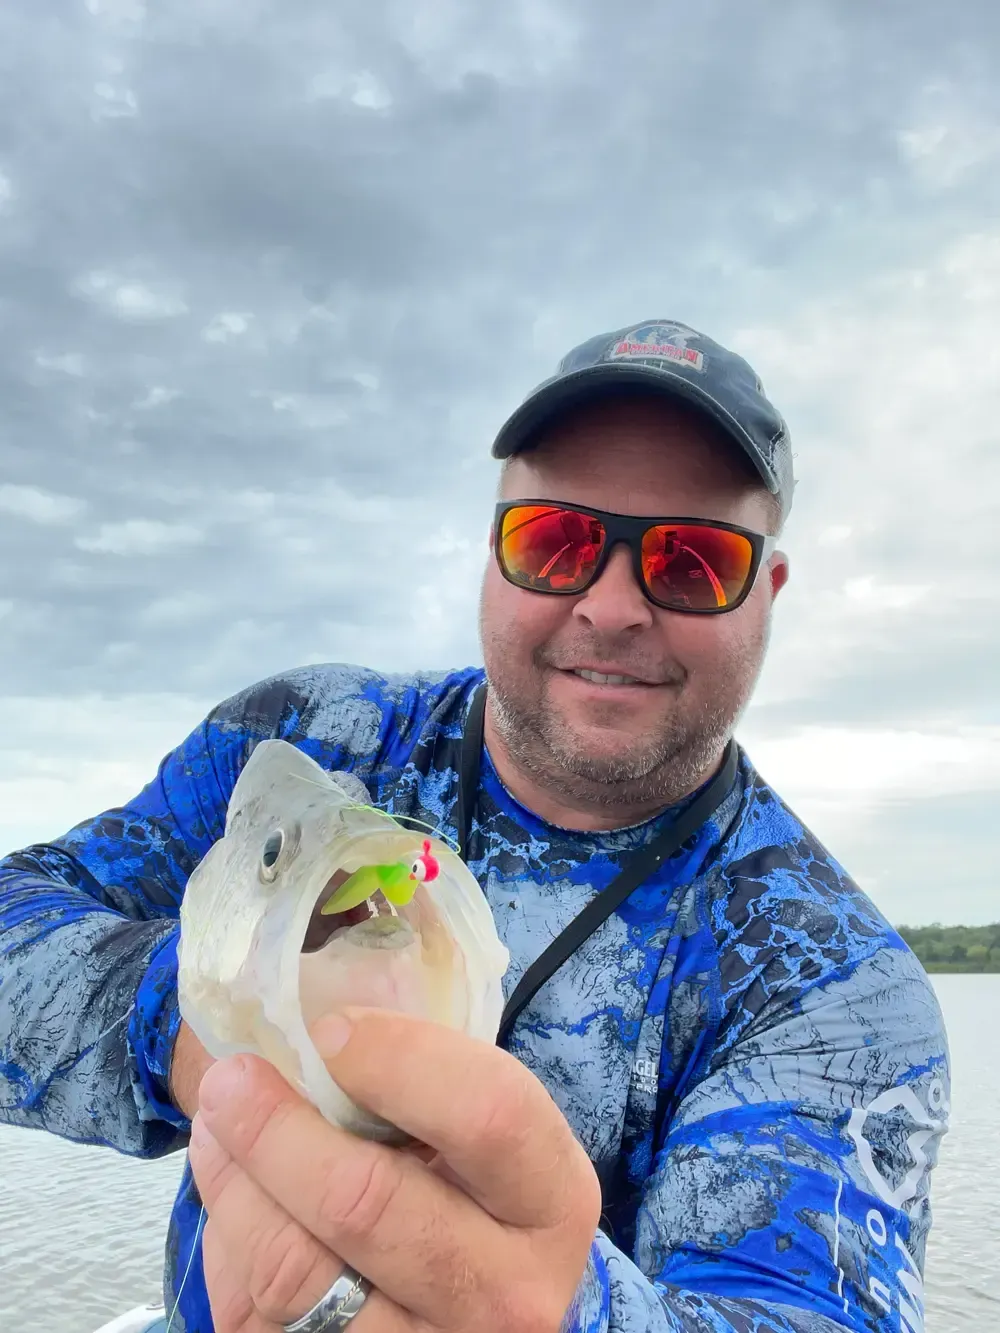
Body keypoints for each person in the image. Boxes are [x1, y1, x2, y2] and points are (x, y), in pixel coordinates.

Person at [0, 319, 949, 1333]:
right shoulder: (303, 743)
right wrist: (218, 1026)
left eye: (693, 561)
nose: (613, 605)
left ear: (766, 590)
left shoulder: (832, 988)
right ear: (493, 552)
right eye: (557, 541)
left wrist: (569, 1317)